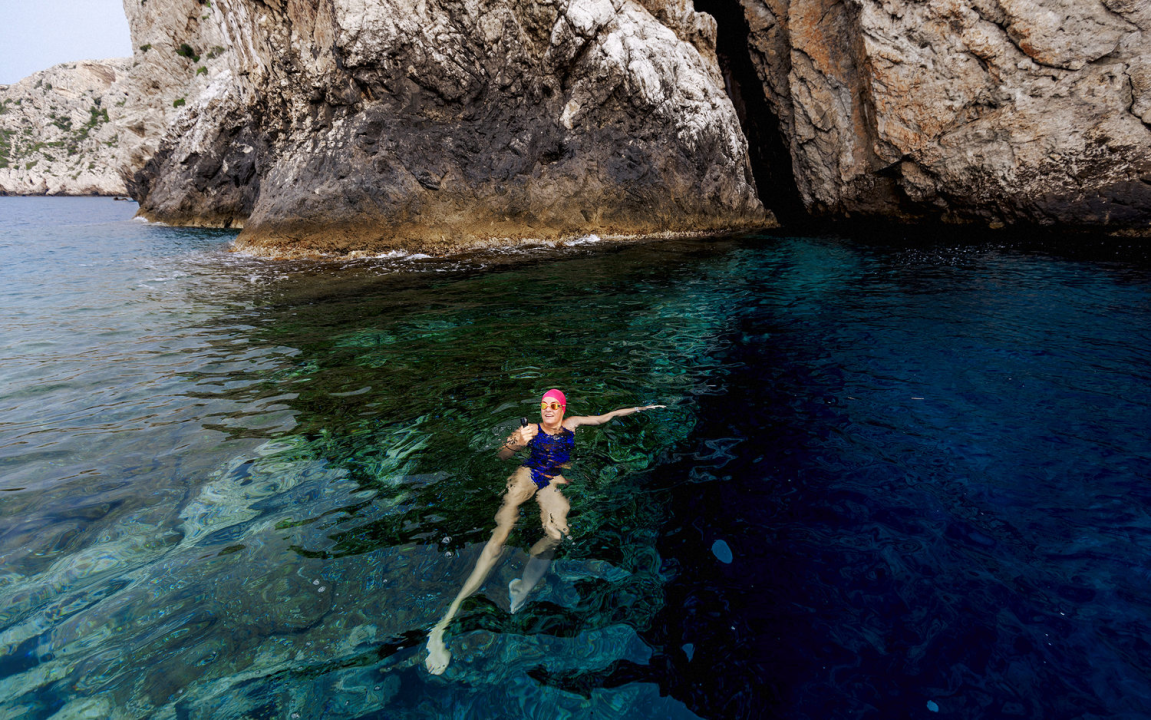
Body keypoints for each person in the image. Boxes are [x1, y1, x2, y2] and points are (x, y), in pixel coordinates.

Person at [425, 389, 665, 674]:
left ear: (563, 408)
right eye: (544, 405)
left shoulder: (573, 424)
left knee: (556, 535)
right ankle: (442, 625)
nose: (548, 409)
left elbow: (606, 417)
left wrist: (642, 408)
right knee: (499, 538)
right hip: (527, 474)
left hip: (554, 479)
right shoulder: (529, 429)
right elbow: (502, 455)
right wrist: (517, 443)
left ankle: (522, 588)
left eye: (554, 405)